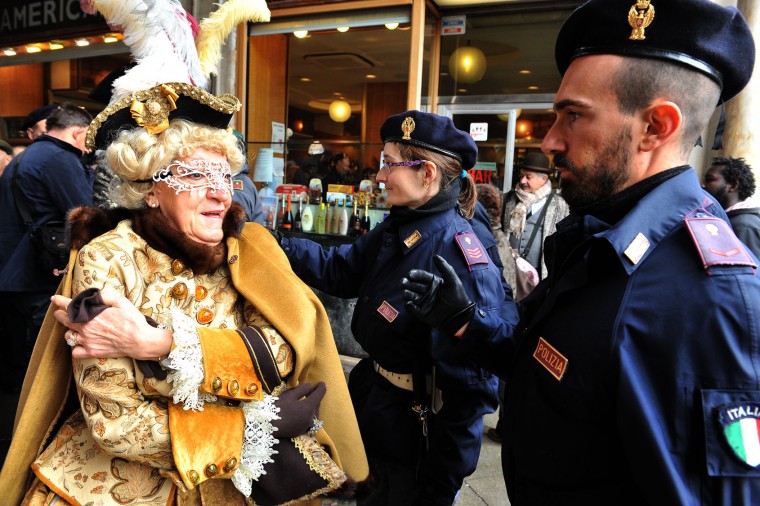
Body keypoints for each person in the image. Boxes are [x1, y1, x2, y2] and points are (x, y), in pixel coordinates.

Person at [402, 0, 760, 503]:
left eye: (573, 115)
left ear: (656, 126)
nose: (548, 140)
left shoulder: (711, 296)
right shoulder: (600, 235)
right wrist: (466, 321)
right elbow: (555, 368)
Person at [0, 100, 368, 506]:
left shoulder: (249, 249)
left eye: (224, 176)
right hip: (116, 487)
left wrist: (162, 344)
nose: (218, 191)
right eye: (195, 175)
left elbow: (283, 349)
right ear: (151, 191)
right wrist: (253, 427)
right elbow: (117, 424)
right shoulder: (106, 258)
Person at [279, 110, 518, 505]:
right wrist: (275, 246)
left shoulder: (458, 251)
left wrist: (440, 485)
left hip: (417, 436)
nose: (380, 176)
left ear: (426, 174)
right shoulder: (401, 224)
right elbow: (340, 270)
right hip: (380, 409)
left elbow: (471, 389)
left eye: (389, 164)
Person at [0, 102, 93, 394]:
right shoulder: (58, 158)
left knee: (14, 359)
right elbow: (86, 212)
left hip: (14, 271)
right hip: (37, 271)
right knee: (37, 364)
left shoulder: (26, 156)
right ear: (79, 132)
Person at [502, 151, 569, 284]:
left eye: (528, 177)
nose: (522, 181)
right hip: (509, 270)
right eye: (521, 176)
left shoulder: (560, 205)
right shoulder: (509, 199)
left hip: (540, 275)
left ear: (543, 179)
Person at [702, 156, 760, 257]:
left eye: (710, 179)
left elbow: (747, 271)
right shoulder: (729, 220)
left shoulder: (744, 226)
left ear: (733, 186)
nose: (702, 185)